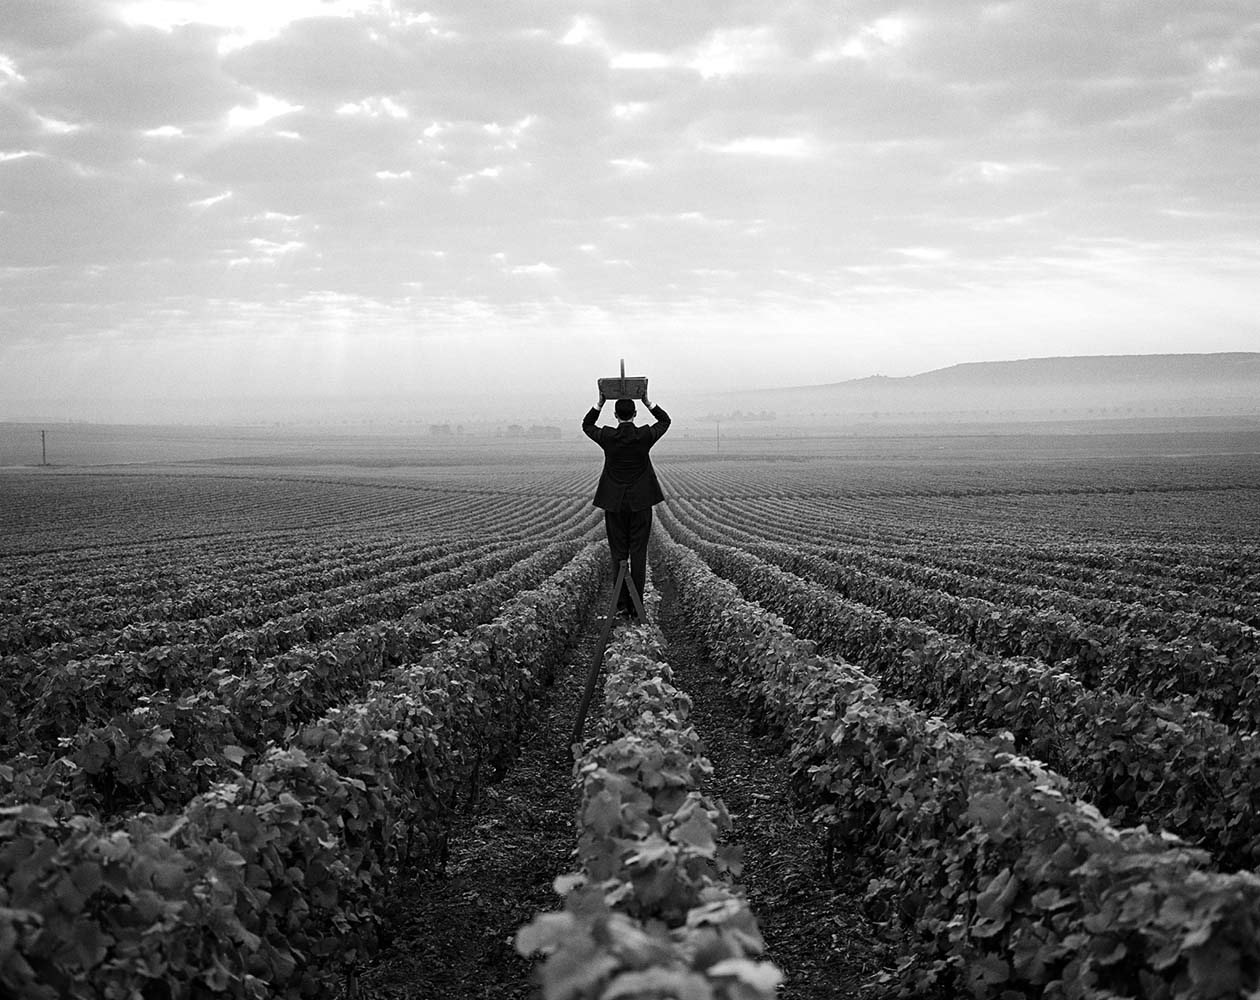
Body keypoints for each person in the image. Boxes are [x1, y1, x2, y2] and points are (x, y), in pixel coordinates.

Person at [582, 391, 671, 620]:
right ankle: (636, 604)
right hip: (641, 502)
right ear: (635, 414)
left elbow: (587, 424)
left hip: (614, 503)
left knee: (618, 553)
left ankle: (621, 604)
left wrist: (599, 403)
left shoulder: (609, 436)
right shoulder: (643, 435)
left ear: (615, 415)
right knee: (639, 553)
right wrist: (648, 401)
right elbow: (665, 421)